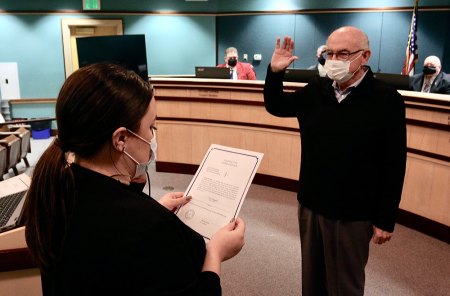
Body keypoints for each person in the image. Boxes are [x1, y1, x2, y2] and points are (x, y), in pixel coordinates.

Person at [23, 63, 245, 295]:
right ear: (121, 139)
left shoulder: (56, 192)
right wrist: (215, 254)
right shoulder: (151, 227)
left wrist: (152, 209)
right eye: (151, 127)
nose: (153, 137)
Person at [264, 27, 407, 296]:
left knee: (344, 286)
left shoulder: (386, 100)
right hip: (311, 204)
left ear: (365, 56)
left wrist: (386, 218)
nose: (334, 59)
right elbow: (276, 106)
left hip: (353, 213)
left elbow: (394, 164)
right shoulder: (317, 89)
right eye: (330, 53)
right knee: (313, 282)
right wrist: (275, 72)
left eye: (343, 53)